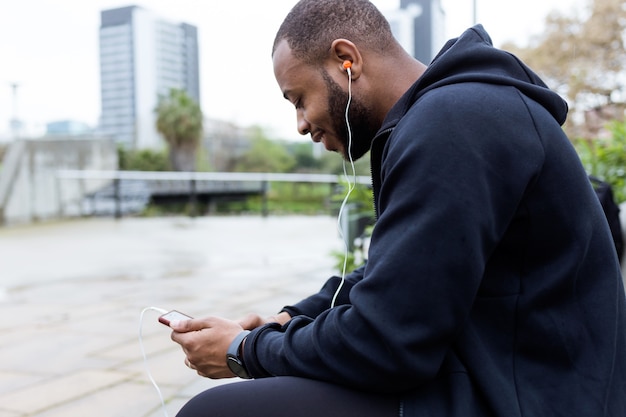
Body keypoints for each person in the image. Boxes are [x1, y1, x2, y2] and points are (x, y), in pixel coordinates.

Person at [169, 0, 626, 416]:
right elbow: (394, 277)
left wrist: (245, 351)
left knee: (217, 412)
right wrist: (286, 320)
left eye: (299, 99)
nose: (301, 125)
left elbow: (388, 343)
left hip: (531, 392)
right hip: (496, 363)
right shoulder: (447, 114)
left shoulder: (453, 123)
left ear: (346, 61)